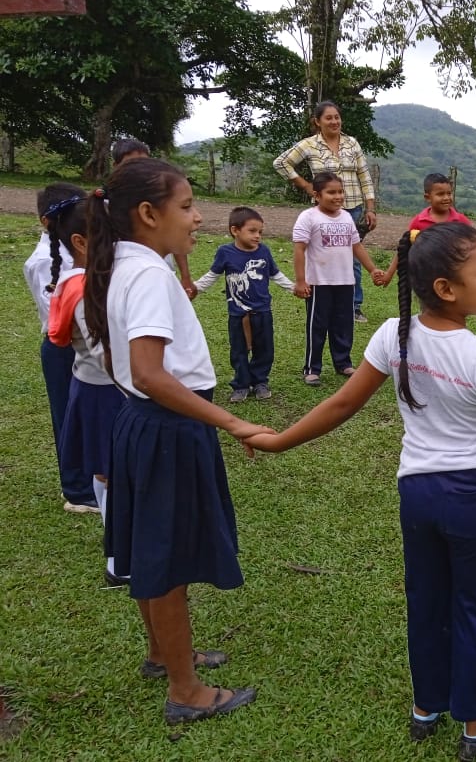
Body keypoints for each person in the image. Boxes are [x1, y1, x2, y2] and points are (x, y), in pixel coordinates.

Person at [246, 222, 476, 761]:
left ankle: (426, 709)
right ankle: (474, 725)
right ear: (446, 288)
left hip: (416, 495)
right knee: (473, 608)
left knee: (425, 602)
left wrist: (281, 441)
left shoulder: (391, 336)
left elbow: (341, 406)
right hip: (473, 497)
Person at [83, 157, 269, 724]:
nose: (197, 218)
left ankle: (166, 654)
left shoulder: (124, 267)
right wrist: (230, 421)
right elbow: (149, 372)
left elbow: (121, 363)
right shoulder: (147, 275)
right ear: (147, 213)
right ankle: (186, 691)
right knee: (167, 559)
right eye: (186, 206)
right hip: (166, 428)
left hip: (145, 424)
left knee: (150, 550)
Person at [44, 193, 129, 584]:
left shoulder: (83, 280)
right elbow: (100, 352)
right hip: (105, 392)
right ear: (81, 242)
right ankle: (119, 559)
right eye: (108, 234)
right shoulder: (82, 288)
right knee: (112, 474)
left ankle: (119, 549)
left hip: (97, 389)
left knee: (106, 471)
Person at [23, 182, 97, 512]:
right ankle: (77, 491)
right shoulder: (43, 262)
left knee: (84, 415)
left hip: (84, 343)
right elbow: (60, 314)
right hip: (63, 347)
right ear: (48, 222)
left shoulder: (78, 251)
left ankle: (90, 480)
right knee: (67, 417)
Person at [274, 100, 378, 323]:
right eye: (328, 118)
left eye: (337, 117)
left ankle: (353, 305)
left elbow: (364, 176)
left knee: (352, 257)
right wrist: (306, 185)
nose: (334, 121)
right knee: (324, 254)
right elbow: (281, 163)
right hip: (324, 211)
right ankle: (323, 299)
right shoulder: (310, 145)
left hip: (354, 208)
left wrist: (370, 208)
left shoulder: (352, 143)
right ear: (317, 122)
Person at [192, 206, 295, 402]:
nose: (258, 236)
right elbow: (212, 276)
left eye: (260, 232)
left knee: (264, 350)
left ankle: (260, 382)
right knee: (238, 350)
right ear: (235, 230)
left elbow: (275, 275)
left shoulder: (264, 251)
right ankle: (241, 384)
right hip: (238, 314)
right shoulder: (225, 252)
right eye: (252, 231)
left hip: (262, 312)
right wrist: (195, 288)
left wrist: (294, 288)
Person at [292, 171, 382, 386]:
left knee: (343, 324)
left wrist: (372, 269)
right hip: (319, 283)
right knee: (318, 325)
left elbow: (356, 246)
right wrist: (301, 281)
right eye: (331, 192)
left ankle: (343, 363)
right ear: (316, 195)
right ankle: (312, 368)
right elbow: (299, 249)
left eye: (340, 191)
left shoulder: (345, 217)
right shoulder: (308, 217)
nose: (338, 196)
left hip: (345, 282)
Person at [111, 137, 196, 299]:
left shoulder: (160, 198)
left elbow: (175, 235)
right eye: (186, 207)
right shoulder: (108, 205)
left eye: (144, 164)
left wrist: (185, 276)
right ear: (147, 213)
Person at [376, 172, 471, 286]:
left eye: (449, 193)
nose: (446, 198)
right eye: (440, 194)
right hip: (427, 278)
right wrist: (389, 274)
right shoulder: (419, 222)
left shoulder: (460, 220)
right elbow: (404, 249)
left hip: (456, 276)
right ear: (427, 197)